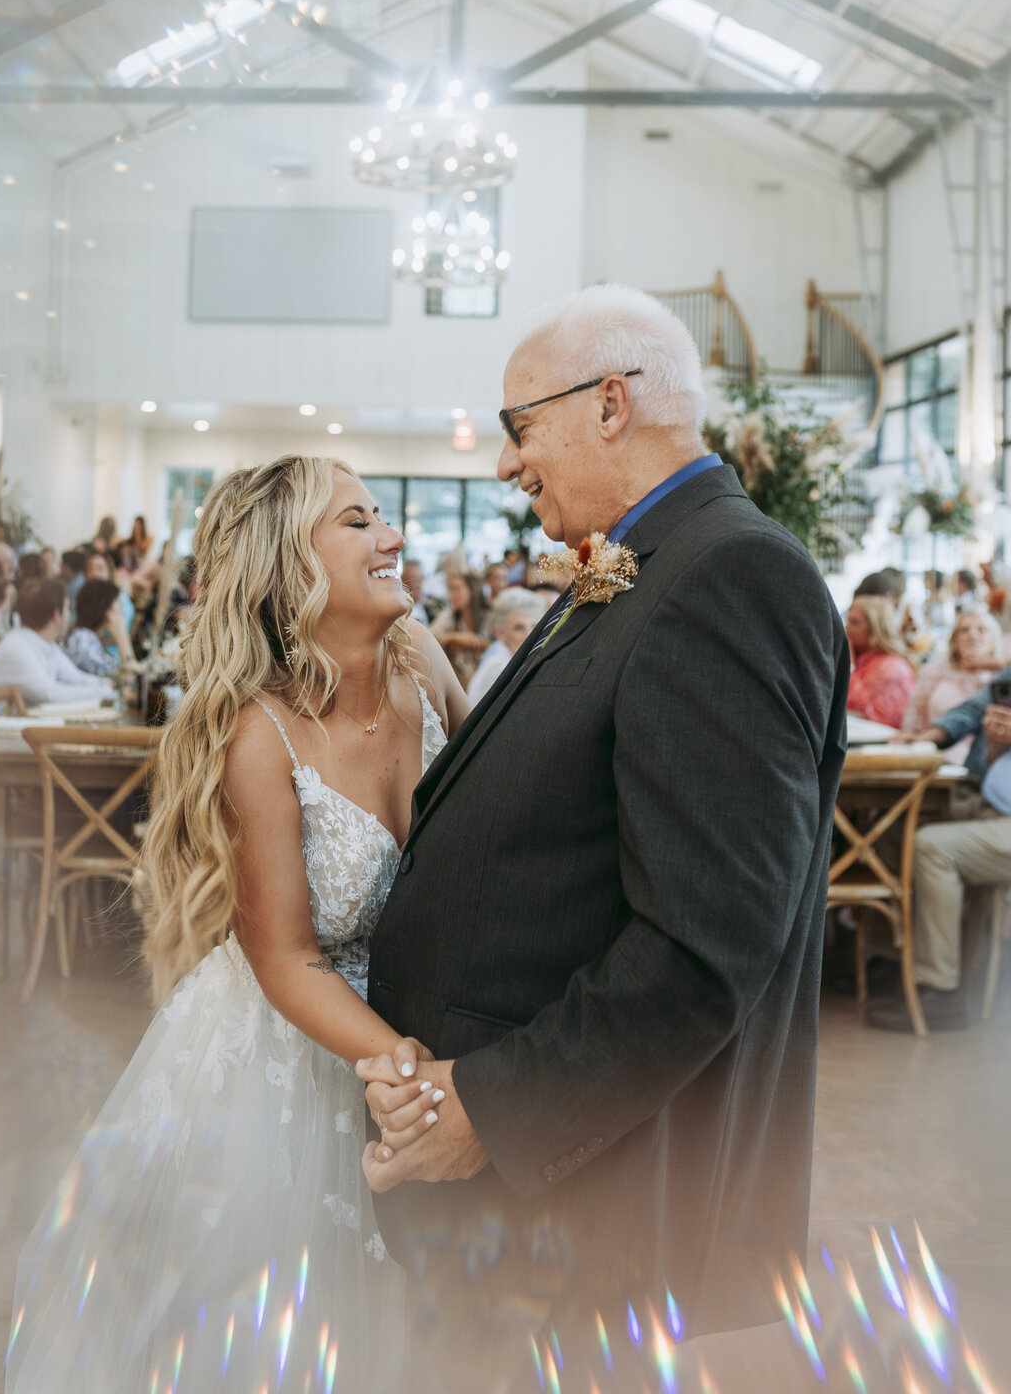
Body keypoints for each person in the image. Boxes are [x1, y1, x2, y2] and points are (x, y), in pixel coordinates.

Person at [357, 283, 848, 1387]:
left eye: (519, 427)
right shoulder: (640, 559)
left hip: (591, 1188)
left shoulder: (731, 573)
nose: (506, 464)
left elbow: (703, 943)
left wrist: (491, 1107)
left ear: (611, 404)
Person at [6, 457, 468, 1394]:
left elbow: (495, 811)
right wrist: (407, 1074)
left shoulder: (421, 658)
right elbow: (289, 957)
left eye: (383, 516)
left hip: (419, 1026)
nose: (392, 537)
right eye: (357, 521)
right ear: (291, 567)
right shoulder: (260, 733)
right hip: (291, 1052)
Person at [871, 673, 1011, 1032]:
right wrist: (927, 740)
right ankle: (894, 963)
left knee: (933, 847)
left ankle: (940, 993)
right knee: (889, 829)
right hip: (993, 801)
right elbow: (971, 712)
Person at [0, 577, 113, 709]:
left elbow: (78, 678)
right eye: (67, 609)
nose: (69, 616)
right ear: (56, 615)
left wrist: (111, 686)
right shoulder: (17, 646)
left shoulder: (45, 644)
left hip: (21, 724)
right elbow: (50, 694)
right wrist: (106, 692)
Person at [904, 610, 1005, 762]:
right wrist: (912, 738)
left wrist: (995, 665)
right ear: (955, 641)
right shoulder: (934, 672)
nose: (972, 635)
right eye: (964, 630)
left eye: (981, 629)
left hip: (979, 760)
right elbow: (914, 714)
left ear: (993, 640)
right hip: (933, 751)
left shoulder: (1000, 679)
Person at [463, 586, 548, 705]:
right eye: (518, 628)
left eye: (534, 627)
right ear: (500, 632)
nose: (529, 635)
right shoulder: (499, 665)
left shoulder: (503, 653)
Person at [846, 595, 916, 727]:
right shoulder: (863, 660)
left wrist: (848, 666)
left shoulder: (891, 667)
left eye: (854, 622)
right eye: (847, 621)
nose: (846, 628)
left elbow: (854, 707)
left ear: (875, 629)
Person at [429, 570, 490, 689]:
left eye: (457, 589)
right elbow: (428, 636)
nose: (453, 594)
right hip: (461, 683)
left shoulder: (489, 616)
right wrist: (453, 636)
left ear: (473, 590)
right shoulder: (450, 615)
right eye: (451, 590)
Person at [65, 578, 129, 677]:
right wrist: (123, 639)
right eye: (119, 606)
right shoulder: (81, 639)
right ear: (107, 610)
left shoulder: (90, 638)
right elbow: (124, 681)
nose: (122, 614)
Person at [401, 557, 429, 626]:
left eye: (418, 580)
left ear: (423, 579)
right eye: (410, 580)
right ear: (402, 581)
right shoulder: (398, 607)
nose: (414, 585)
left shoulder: (434, 605)